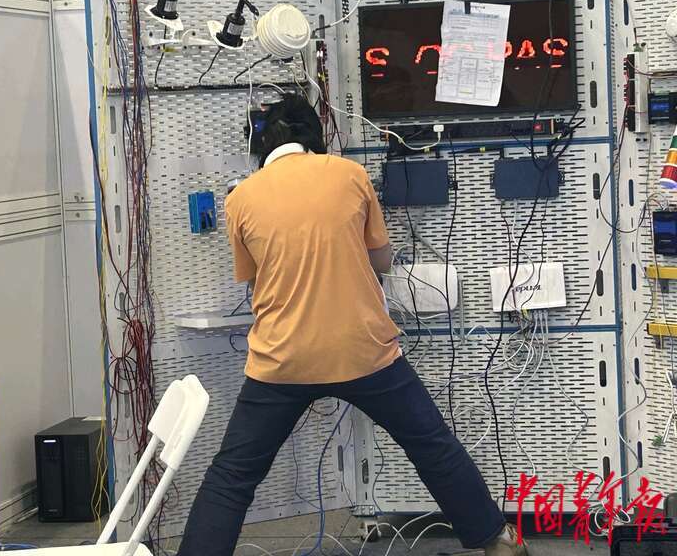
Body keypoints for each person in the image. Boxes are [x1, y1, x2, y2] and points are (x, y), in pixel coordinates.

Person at [176, 94, 528, 556]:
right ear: (313, 138)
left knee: (232, 474)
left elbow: (256, 277)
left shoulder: (241, 197)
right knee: (431, 445)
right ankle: (498, 542)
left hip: (282, 359)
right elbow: (381, 259)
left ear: (263, 146)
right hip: (363, 350)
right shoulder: (350, 174)